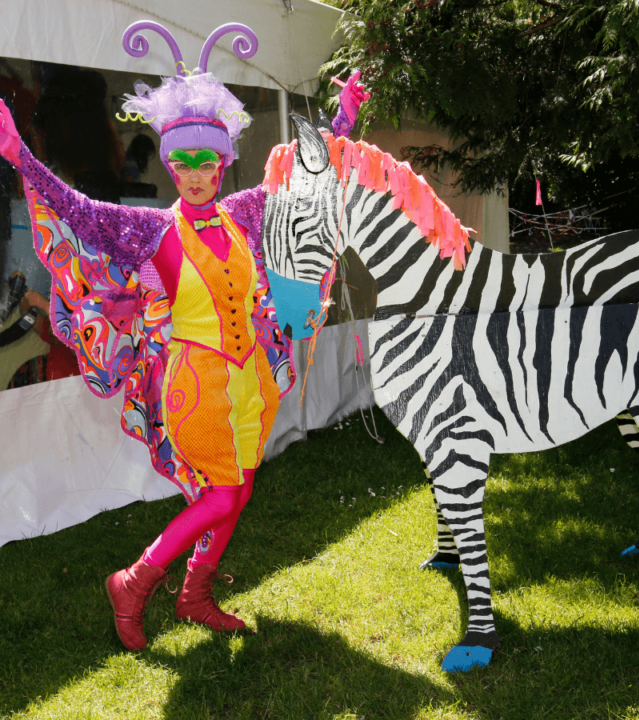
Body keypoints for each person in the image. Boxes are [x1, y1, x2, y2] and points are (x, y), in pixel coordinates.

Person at [0, 22, 368, 651]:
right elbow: (74, 208)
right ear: (170, 165)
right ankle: (135, 581)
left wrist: (342, 120)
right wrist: (20, 157)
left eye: (207, 162)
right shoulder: (150, 230)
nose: (195, 174)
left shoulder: (245, 211)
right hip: (192, 382)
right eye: (182, 163)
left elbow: (304, 178)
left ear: (223, 164)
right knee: (221, 493)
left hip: (249, 379)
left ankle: (196, 594)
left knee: (241, 489)